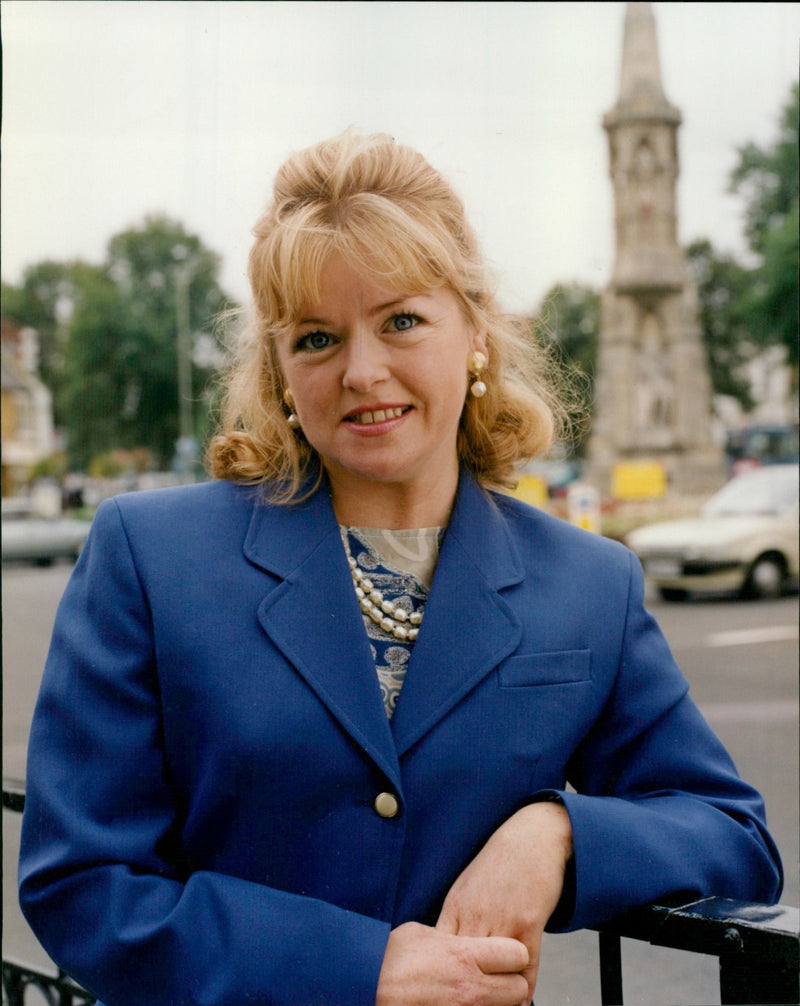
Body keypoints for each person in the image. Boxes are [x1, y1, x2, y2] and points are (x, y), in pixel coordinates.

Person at [19, 131, 782, 1006]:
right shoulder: (150, 555)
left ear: (476, 332)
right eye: (317, 338)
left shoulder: (590, 583)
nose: (363, 371)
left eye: (402, 321)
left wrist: (555, 833)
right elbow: (82, 883)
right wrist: (357, 968)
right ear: (280, 370)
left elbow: (732, 835)